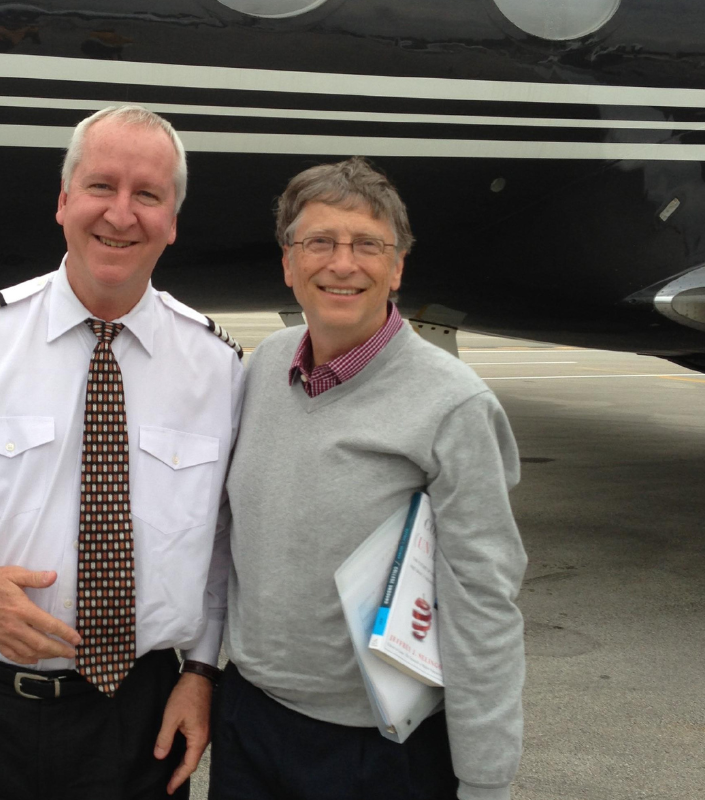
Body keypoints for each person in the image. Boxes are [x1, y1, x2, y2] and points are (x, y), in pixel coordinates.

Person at [0, 105, 244, 800]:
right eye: (100, 187)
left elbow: (223, 540)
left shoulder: (218, 370)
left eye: (147, 195)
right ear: (63, 202)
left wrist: (203, 671)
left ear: (172, 221)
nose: (121, 214)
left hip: (136, 719)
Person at [211, 157, 526, 800]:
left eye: (367, 245)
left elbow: (482, 602)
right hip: (250, 723)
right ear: (289, 263)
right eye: (319, 242)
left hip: (378, 751)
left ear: (398, 266)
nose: (342, 263)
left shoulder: (453, 405)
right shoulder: (264, 367)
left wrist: (486, 781)